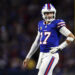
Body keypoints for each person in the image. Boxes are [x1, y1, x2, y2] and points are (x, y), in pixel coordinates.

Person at [23, 3, 75, 75]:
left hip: (51, 54)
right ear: (43, 14)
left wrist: (59, 48)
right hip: (42, 54)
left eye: (51, 13)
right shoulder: (40, 24)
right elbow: (36, 42)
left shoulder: (57, 23)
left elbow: (71, 37)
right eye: (47, 13)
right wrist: (28, 57)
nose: (50, 15)